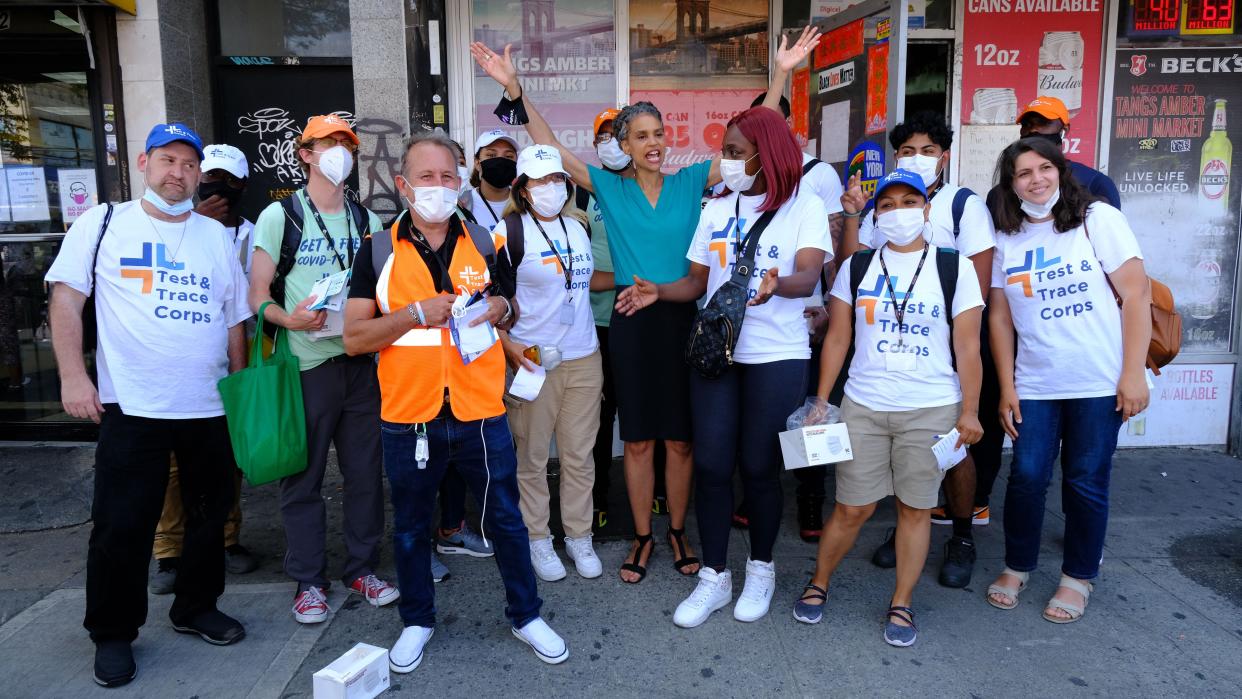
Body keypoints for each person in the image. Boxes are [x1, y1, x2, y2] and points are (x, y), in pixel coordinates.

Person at [470, 26, 822, 583]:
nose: (654, 142)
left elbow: (755, 136)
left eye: (658, 132)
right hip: (633, 323)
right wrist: (516, 89)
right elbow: (554, 152)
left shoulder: (690, 183)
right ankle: (640, 538)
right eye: (641, 135)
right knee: (635, 440)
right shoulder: (610, 188)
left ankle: (677, 531)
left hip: (688, 318)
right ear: (625, 146)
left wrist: (781, 75)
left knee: (682, 440)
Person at [342, 130, 567, 672]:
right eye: (426, 177)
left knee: (506, 520)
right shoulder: (376, 250)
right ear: (402, 185)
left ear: (461, 181)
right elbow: (353, 338)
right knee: (413, 527)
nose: (438, 187)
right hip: (409, 417)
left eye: (448, 176)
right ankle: (418, 620)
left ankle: (526, 613)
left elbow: (507, 304)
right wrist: (414, 314)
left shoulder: (486, 242)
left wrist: (502, 312)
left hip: (479, 410)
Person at [45, 123, 251, 687]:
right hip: (131, 406)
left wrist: (237, 389)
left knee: (211, 517)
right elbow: (66, 300)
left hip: (207, 407)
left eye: (189, 164)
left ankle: (195, 606)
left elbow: (235, 319)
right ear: (144, 163)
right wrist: (72, 377)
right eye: (167, 160)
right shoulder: (105, 222)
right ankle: (112, 632)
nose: (177, 173)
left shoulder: (215, 235)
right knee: (120, 525)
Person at [617, 106, 830, 626]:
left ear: (766, 153)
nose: (726, 161)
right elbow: (696, 283)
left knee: (758, 467)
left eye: (734, 152)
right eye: (725, 152)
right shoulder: (716, 208)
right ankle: (715, 576)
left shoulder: (804, 206)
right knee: (712, 465)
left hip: (776, 355)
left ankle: (760, 567)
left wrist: (779, 283)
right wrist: (656, 293)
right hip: (716, 351)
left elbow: (808, 274)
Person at [790, 169, 984, 647]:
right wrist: (821, 399)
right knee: (852, 507)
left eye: (909, 202)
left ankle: (902, 602)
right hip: (865, 406)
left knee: (915, 510)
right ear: (877, 214)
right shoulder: (857, 267)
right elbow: (837, 338)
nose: (899, 212)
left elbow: (968, 347)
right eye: (889, 204)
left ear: (927, 209)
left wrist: (970, 411)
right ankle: (820, 582)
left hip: (932, 408)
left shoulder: (953, 267)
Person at [984, 137, 1149, 623]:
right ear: (1010, 185)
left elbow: (1136, 296)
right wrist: (1008, 386)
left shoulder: (1098, 220)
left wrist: (1132, 374)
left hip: (1099, 381)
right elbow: (999, 318)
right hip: (1035, 383)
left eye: (1044, 168)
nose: (1036, 180)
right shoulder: (1006, 236)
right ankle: (1017, 567)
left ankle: (1077, 577)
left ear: (1061, 169)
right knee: (1027, 477)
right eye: (1023, 173)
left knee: (1085, 480)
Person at [249, 115, 396, 625]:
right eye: (328, 144)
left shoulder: (367, 222)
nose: (339, 152)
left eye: (346, 145)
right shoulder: (280, 217)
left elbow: (382, 293)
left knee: (363, 476)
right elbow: (256, 296)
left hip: (359, 365)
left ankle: (362, 568)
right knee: (303, 478)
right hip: (305, 368)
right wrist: (288, 319)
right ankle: (309, 581)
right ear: (305, 153)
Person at [845, 112, 997, 588]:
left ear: (944, 157)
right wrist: (854, 213)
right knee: (903, 450)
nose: (918, 158)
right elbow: (858, 265)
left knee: (954, 449)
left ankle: (962, 533)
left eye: (928, 151)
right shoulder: (883, 203)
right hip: (889, 346)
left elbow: (979, 280)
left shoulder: (962, 205)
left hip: (946, 344)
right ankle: (907, 526)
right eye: (908, 151)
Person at [149, 143, 260, 596]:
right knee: (173, 465)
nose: (221, 189)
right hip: (179, 358)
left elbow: (250, 298)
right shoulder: (174, 229)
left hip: (239, 350)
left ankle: (227, 539)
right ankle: (167, 551)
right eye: (212, 177)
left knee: (228, 457)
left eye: (232, 182)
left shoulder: (255, 232)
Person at [496, 145, 605, 581]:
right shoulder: (507, 233)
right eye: (541, 180)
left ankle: (579, 537)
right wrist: (507, 347)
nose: (552, 187)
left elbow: (582, 280)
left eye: (557, 179)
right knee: (533, 457)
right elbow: (491, 302)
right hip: (533, 362)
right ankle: (538, 540)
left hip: (584, 356)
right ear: (522, 189)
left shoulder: (578, 227)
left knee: (580, 457)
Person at [748, 88, 846, 542]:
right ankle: (756, 494)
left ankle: (811, 498)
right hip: (763, 317)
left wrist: (830, 299)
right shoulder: (745, 178)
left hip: (809, 308)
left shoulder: (818, 173)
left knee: (811, 406)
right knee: (767, 414)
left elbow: (833, 233)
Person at [583, 108, 668, 530]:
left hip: (646, 316)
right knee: (601, 419)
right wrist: (611, 283)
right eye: (607, 135)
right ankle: (599, 498)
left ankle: (658, 493)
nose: (613, 141)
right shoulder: (588, 192)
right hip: (596, 323)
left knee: (654, 414)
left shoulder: (654, 191)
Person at [985, 96, 1121, 210]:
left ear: (1065, 129)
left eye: (1043, 123)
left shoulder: (1096, 184)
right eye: (1027, 124)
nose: (1033, 130)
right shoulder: (999, 194)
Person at [460, 128, 519, 228]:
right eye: (491, 155)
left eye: (508, 156)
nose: (501, 161)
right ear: (477, 162)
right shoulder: (462, 204)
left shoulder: (525, 203)